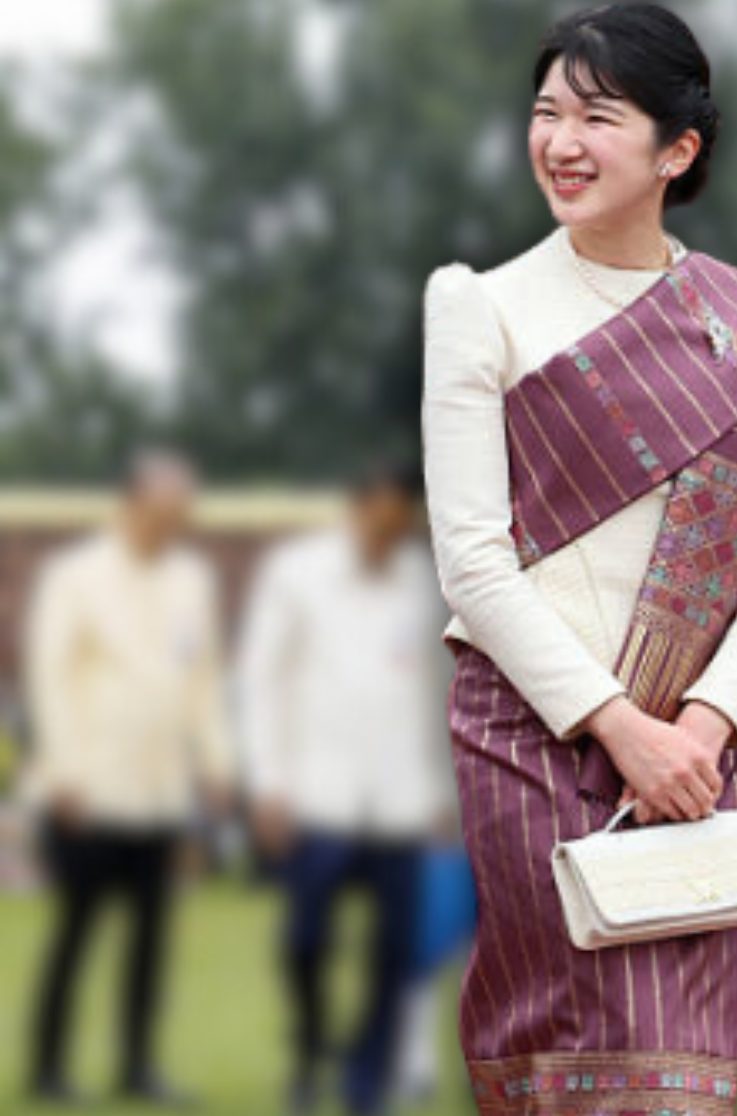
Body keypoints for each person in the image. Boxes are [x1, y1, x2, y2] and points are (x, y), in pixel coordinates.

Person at [422, 2, 737, 1115]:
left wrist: (699, 729)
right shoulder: (480, 307)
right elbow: (473, 563)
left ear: (677, 150)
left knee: (678, 1079)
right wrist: (621, 729)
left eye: (597, 117)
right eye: (546, 113)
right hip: (537, 739)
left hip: (701, 758)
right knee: (569, 1067)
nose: (561, 142)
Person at [236, 463, 448, 1114]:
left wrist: (443, 793)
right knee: (305, 941)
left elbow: (437, 691)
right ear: (357, 509)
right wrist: (268, 782)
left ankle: (365, 1080)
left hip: (401, 803)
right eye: (381, 519)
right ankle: (308, 1054)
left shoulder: (422, 583)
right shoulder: (297, 574)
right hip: (317, 797)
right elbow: (261, 681)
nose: (390, 533)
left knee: (394, 951)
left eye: (400, 523)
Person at [22, 449, 231, 1106]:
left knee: (151, 938)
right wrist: (64, 772)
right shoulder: (76, 575)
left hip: (160, 793)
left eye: (183, 508)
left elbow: (202, 681)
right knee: (76, 932)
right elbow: (50, 677)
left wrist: (217, 762)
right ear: (134, 501)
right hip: (86, 790)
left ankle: (138, 1067)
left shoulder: (193, 580)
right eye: (167, 506)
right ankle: (48, 1070)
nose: (177, 518)